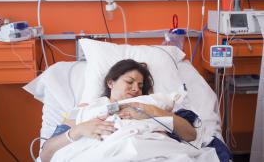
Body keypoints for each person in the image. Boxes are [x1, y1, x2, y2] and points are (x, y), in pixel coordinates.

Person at [40, 59, 197, 162]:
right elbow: (46, 154)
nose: (136, 88)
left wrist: (150, 110)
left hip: (153, 153)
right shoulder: (86, 109)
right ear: (110, 83)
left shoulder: (152, 105)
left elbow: (190, 135)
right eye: (130, 82)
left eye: (141, 86)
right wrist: (78, 130)